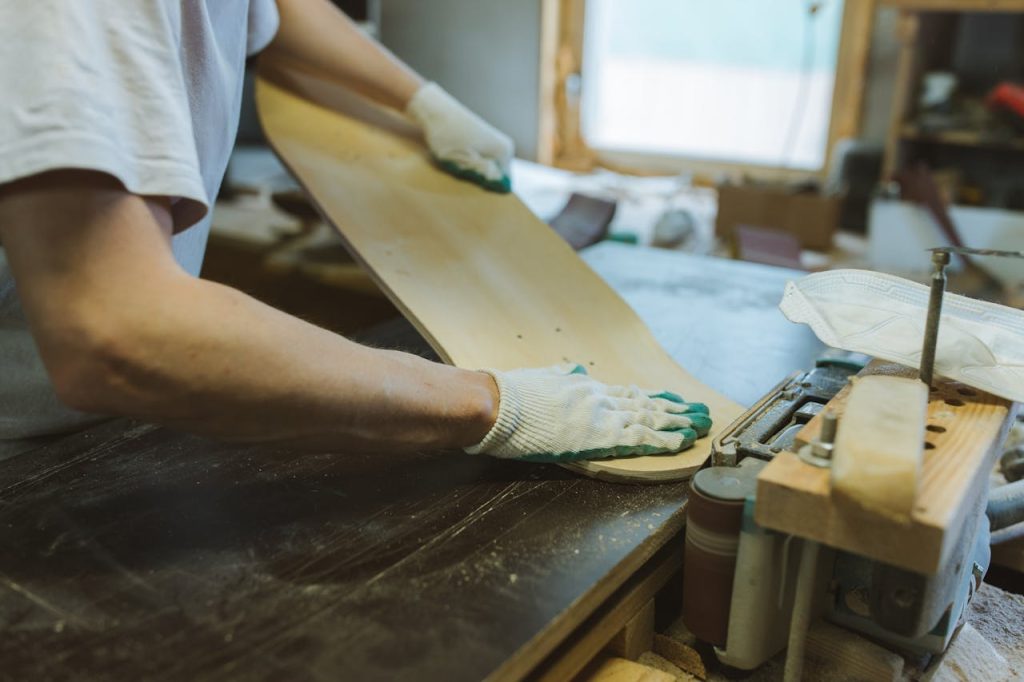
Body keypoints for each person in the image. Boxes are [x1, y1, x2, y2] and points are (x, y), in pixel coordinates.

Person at [0, 0, 710, 464]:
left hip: (87, 426)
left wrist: (419, 101)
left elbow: (267, 10)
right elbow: (114, 333)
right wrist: (495, 404)